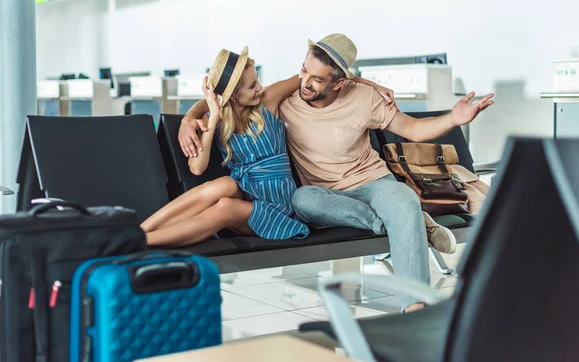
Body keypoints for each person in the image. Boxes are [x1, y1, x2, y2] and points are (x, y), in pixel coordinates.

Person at [179, 34, 494, 313]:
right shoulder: (285, 100)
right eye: (304, 70)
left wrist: (453, 118)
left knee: (401, 199)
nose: (305, 82)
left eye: (317, 79)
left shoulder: (364, 97)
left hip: (374, 183)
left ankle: (414, 308)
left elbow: (411, 128)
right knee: (302, 199)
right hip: (324, 198)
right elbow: (228, 96)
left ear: (340, 82)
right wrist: (189, 118)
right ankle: (412, 222)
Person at [142, 46, 394, 246]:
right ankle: (140, 231)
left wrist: (373, 85)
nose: (259, 87)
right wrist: (212, 113)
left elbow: (328, 77)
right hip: (248, 195)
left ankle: (142, 241)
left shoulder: (268, 100)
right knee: (224, 186)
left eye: (257, 80)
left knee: (226, 205)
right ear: (232, 94)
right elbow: (197, 168)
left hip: (280, 206)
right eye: (252, 85)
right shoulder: (216, 121)